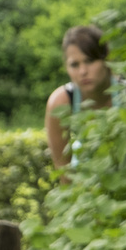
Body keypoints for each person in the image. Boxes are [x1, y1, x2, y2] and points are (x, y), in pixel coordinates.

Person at [45, 25, 114, 173]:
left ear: (106, 59)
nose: (83, 71)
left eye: (89, 61)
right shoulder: (61, 102)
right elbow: (63, 170)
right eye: (74, 64)